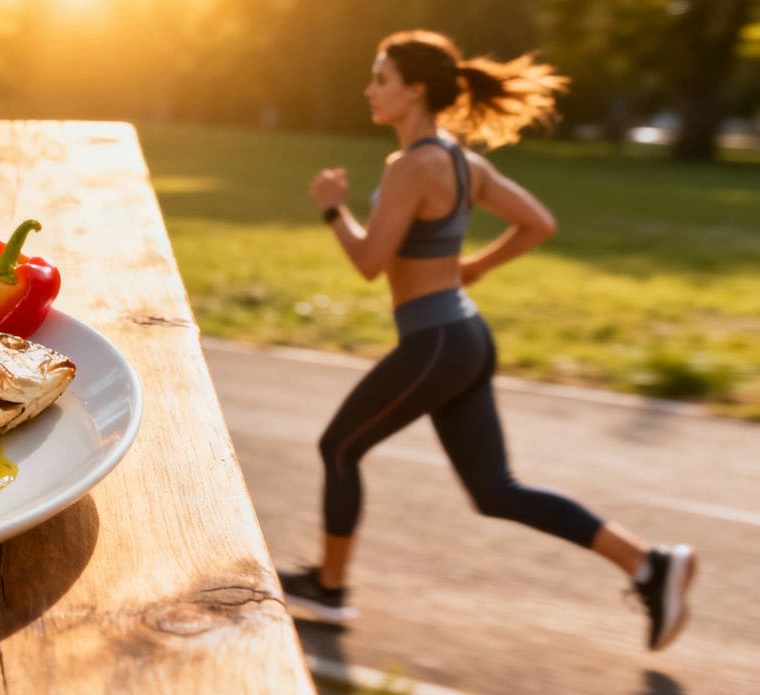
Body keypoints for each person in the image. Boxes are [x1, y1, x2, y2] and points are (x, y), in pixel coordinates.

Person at [283, 29, 696, 651]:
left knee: (339, 447)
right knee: (496, 491)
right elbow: (538, 223)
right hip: (467, 335)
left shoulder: (410, 166)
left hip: (435, 346)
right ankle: (649, 564)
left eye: (381, 80)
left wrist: (332, 209)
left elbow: (371, 261)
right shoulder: (461, 161)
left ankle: (331, 588)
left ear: (415, 90)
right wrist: (472, 269)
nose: (370, 90)